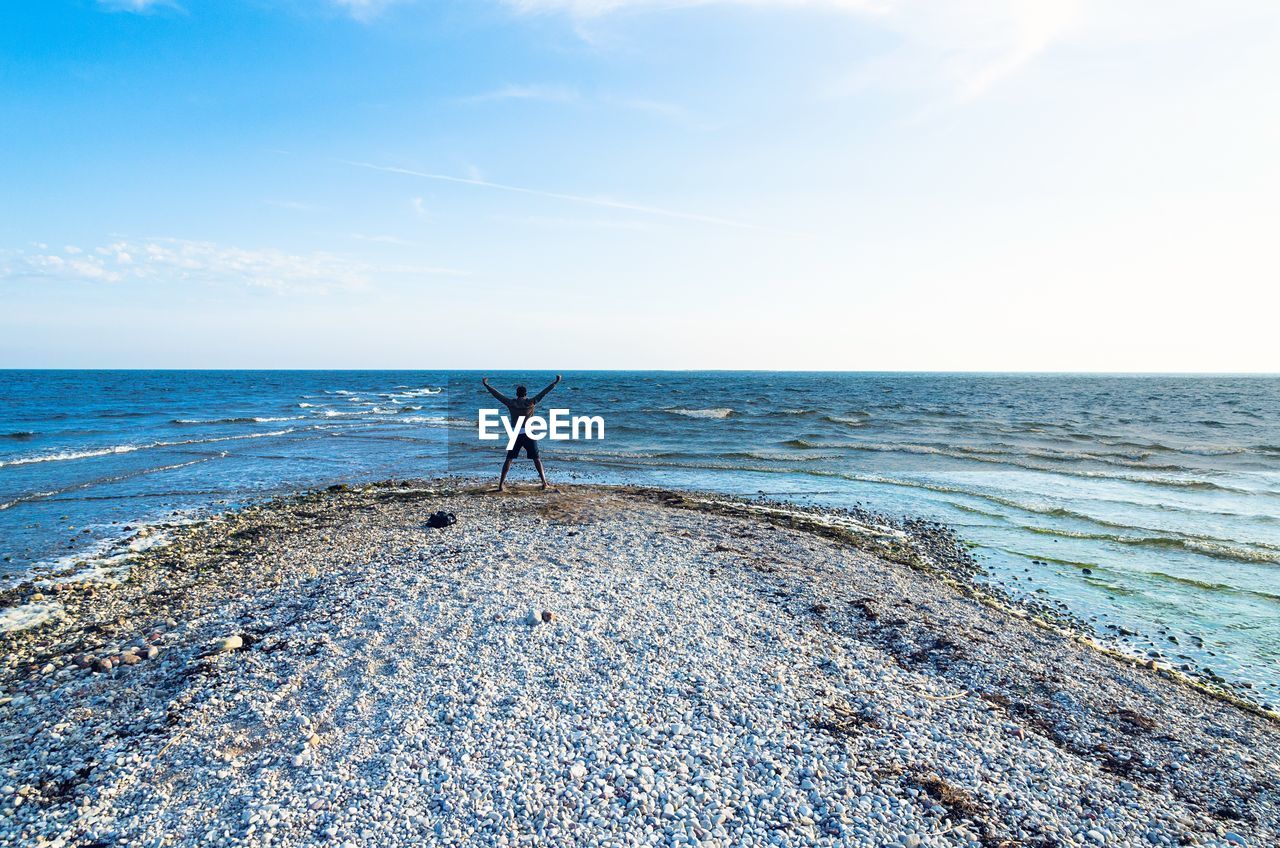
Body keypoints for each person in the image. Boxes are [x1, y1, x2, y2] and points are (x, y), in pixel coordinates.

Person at [482, 375, 561, 491]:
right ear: (525, 394)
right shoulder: (531, 402)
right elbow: (544, 392)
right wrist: (556, 382)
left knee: (509, 459)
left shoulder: (511, 403)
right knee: (537, 459)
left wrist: (486, 385)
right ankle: (544, 483)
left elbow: (497, 395)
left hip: (516, 434)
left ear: (517, 394)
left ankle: (500, 485)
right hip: (529, 433)